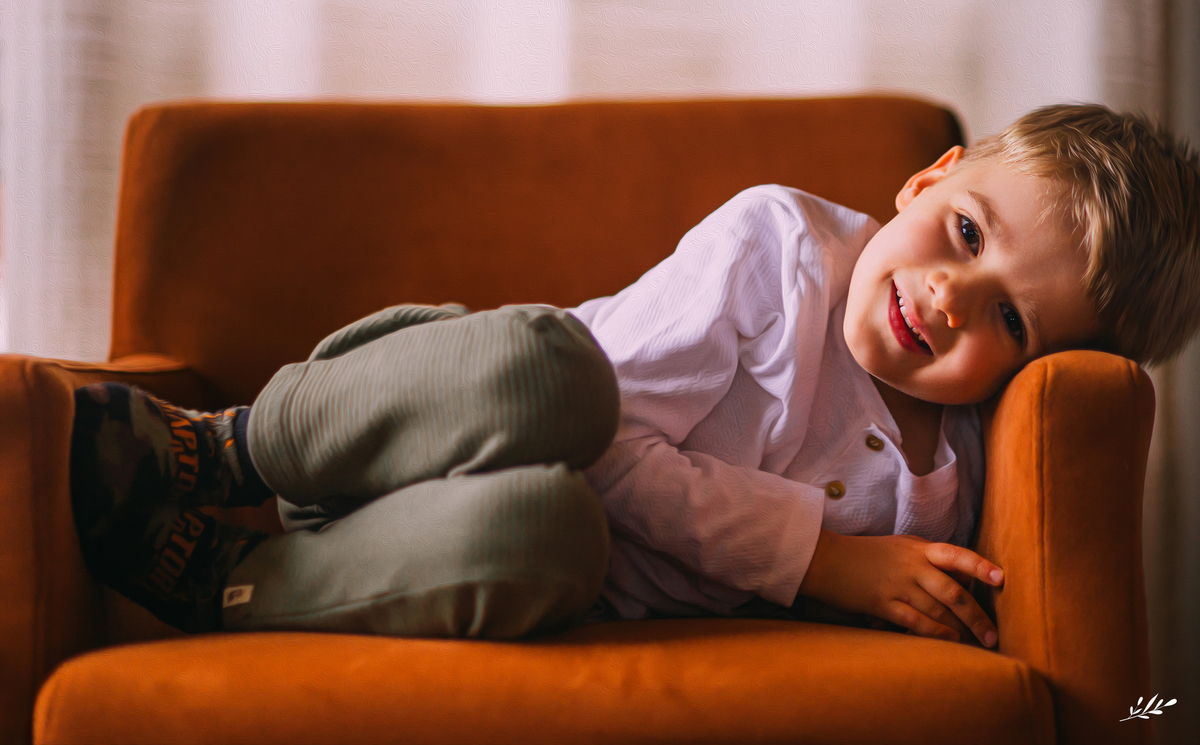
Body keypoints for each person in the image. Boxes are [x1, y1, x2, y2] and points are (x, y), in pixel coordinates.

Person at [69, 103, 1200, 648]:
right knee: (551, 375)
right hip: (431, 423)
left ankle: (232, 581)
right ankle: (228, 446)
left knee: (549, 543)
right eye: (964, 233)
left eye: (1010, 317)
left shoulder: (949, 475)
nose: (951, 299)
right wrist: (819, 562)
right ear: (925, 180)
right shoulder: (785, 251)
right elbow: (597, 442)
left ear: (1043, 369)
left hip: (466, 549)